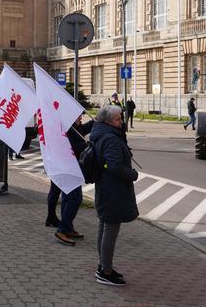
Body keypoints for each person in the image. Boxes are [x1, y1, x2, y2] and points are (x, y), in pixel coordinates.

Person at [90, 105, 139, 286]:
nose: (122, 122)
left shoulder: (103, 133)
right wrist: (132, 174)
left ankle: (104, 265)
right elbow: (113, 166)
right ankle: (105, 271)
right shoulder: (110, 138)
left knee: (105, 225)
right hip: (113, 190)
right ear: (109, 121)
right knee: (110, 229)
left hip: (106, 188)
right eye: (118, 119)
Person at [54, 114, 95, 246]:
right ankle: (62, 230)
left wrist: (96, 120)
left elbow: (84, 128)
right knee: (75, 198)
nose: (80, 119)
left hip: (71, 168)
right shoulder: (67, 130)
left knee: (67, 198)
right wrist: (87, 145)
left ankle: (67, 227)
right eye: (78, 117)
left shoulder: (76, 128)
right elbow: (72, 148)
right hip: (67, 168)